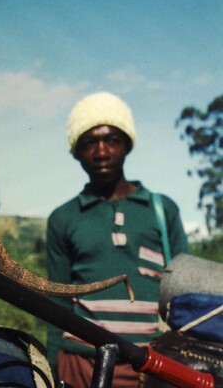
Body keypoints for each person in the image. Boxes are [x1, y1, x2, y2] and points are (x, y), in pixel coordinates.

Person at [46, 92, 189, 387]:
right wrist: (51, 364)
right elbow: (57, 304)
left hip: (151, 365)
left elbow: (184, 295)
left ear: (126, 144)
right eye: (89, 142)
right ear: (76, 151)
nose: (101, 152)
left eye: (112, 140)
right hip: (82, 363)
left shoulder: (161, 211)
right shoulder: (64, 217)